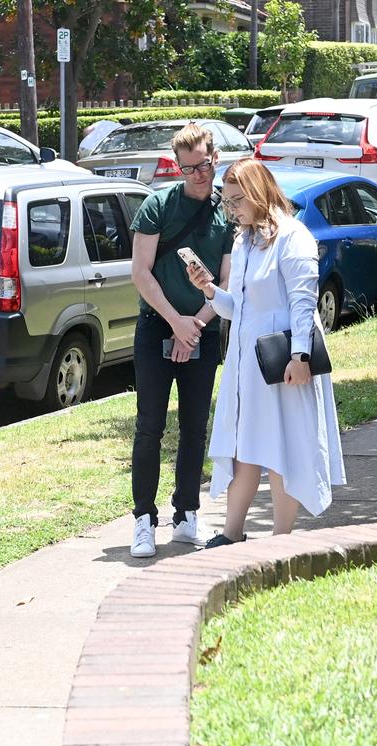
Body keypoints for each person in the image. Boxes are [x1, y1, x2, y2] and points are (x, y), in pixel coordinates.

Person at [187, 158, 345, 545]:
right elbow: (239, 308)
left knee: (282, 449)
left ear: (260, 193)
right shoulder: (244, 241)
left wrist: (300, 357)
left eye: (239, 199)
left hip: (283, 364)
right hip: (246, 364)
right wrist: (209, 289)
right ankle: (232, 533)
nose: (233, 208)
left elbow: (303, 302)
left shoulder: (293, 236)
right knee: (245, 446)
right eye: (228, 201)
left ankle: (280, 540)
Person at [127, 122, 233, 557]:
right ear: (177, 166)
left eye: (205, 165)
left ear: (215, 159)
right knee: (149, 425)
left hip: (203, 327)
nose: (199, 175)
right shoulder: (157, 206)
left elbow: (229, 281)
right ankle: (143, 519)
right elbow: (140, 272)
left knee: (195, 427)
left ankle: (187, 511)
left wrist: (197, 324)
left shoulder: (227, 210)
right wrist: (176, 322)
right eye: (189, 168)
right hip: (157, 325)